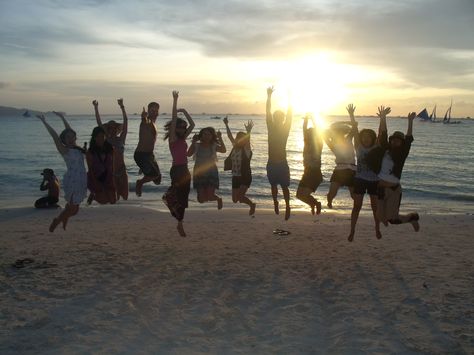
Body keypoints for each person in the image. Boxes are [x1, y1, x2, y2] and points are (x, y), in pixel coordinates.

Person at [368, 107, 420, 231]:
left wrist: (410, 121)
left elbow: (408, 139)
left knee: (393, 220)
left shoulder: (402, 155)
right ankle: (387, 218)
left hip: (393, 189)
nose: (395, 142)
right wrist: (383, 117)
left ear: (401, 143)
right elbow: (384, 134)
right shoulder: (386, 149)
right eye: (394, 140)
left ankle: (412, 217)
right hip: (381, 188)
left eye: (398, 141)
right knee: (380, 217)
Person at [36, 112, 87, 232]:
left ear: (75, 137)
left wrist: (62, 117)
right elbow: (54, 136)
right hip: (73, 181)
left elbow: (70, 130)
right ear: (63, 140)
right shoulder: (65, 150)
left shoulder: (77, 148)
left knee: (73, 209)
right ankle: (58, 221)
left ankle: (62, 219)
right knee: (73, 210)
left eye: (72, 137)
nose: (70, 139)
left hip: (82, 180)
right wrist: (44, 122)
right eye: (67, 137)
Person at [162, 91, 195, 237]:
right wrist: (175, 101)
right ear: (175, 129)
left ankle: (179, 222)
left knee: (183, 198)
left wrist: (184, 111)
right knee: (177, 195)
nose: (182, 129)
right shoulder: (173, 139)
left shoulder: (182, 139)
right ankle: (178, 220)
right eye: (180, 127)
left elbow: (193, 124)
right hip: (176, 170)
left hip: (185, 170)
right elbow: (174, 119)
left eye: (183, 127)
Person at [347, 104, 381, 242]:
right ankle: (352, 230)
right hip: (360, 179)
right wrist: (351, 115)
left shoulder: (376, 147)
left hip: (374, 180)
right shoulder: (358, 147)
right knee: (357, 206)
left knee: (375, 207)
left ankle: (377, 228)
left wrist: (382, 118)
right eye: (364, 136)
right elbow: (355, 131)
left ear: (372, 138)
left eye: (368, 137)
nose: (366, 139)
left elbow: (381, 133)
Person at [92, 98, 129, 200]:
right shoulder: (106, 140)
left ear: (117, 129)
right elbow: (99, 123)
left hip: (121, 170)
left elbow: (126, 123)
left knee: (125, 196)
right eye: (110, 128)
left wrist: (122, 107)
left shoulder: (121, 139)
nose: (113, 129)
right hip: (110, 171)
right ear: (107, 129)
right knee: (114, 198)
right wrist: (96, 108)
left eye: (114, 127)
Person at [265, 86, 292, 220]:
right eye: (276, 117)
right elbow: (267, 112)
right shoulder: (270, 127)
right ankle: (275, 202)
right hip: (271, 163)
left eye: (280, 117)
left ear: (282, 119)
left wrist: (290, 97)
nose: (278, 119)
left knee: (285, 187)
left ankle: (287, 206)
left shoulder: (285, 129)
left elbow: (290, 114)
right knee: (273, 185)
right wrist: (269, 96)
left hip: (282, 163)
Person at [223, 116, 256, 215]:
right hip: (235, 176)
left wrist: (249, 131)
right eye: (238, 138)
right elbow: (229, 136)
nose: (239, 140)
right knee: (235, 200)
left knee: (240, 197)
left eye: (242, 138)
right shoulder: (235, 147)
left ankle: (252, 205)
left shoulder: (246, 150)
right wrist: (226, 124)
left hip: (245, 176)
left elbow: (247, 142)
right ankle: (250, 203)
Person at [187, 126, 226, 209]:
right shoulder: (197, 145)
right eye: (204, 134)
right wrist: (193, 141)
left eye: (209, 134)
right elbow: (188, 154)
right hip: (199, 172)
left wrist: (220, 137)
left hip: (211, 172)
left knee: (210, 196)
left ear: (212, 136)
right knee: (201, 199)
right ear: (201, 135)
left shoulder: (213, 146)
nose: (207, 136)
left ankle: (218, 199)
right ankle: (207, 196)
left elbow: (223, 150)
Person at [324, 120, 356, 208]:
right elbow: (324, 135)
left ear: (344, 133)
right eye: (337, 132)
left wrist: (344, 123)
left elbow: (355, 125)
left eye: (341, 132)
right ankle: (329, 201)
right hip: (339, 170)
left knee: (354, 195)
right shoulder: (332, 143)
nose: (340, 134)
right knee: (332, 193)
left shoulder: (349, 138)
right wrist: (332, 128)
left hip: (352, 169)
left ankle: (357, 206)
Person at [296, 115, 323, 215]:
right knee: (299, 195)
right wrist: (306, 119)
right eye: (307, 134)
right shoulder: (306, 143)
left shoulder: (319, 144)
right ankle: (313, 204)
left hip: (314, 173)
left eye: (310, 134)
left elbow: (318, 130)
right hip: (306, 172)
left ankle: (316, 203)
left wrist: (313, 119)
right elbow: (304, 129)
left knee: (305, 194)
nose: (308, 135)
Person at [134, 100, 161, 196]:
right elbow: (145, 120)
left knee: (158, 180)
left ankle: (144, 170)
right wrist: (143, 117)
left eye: (156, 111)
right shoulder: (147, 121)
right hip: (141, 155)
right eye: (152, 110)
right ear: (148, 111)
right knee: (154, 175)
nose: (155, 113)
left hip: (149, 155)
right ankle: (139, 183)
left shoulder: (154, 122)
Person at [86, 126, 116, 204]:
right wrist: (95, 182)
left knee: (113, 200)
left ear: (105, 136)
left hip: (108, 177)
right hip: (96, 177)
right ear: (94, 138)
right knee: (103, 201)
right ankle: (93, 195)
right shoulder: (90, 152)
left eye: (102, 136)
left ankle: (97, 194)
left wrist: (113, 178)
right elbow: (90, 169)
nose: (100, 138)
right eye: (98, 136)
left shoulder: (110, 149)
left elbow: (112, 165)